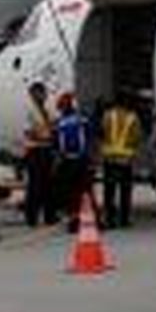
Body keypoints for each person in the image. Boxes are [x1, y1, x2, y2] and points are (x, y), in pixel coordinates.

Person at [100, 93, 141, 229]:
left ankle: (110, 219)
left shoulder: (108, 115)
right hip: (125, 159)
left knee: (109, 191)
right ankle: (124, 219)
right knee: (125, 190)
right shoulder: (132, 117)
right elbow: (136, 137)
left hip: (109, 158)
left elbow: (103, 131)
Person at [54, 93, 93, 233]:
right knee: (85, 191)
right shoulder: (83, 120)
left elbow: (58, 144)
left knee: (71, 193)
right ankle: (91, 219)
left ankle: (73, 220)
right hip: (82, 160)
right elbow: (89, 138)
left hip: (68, 161)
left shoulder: (60, 123)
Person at [23, 82, 57, 227]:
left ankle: (49, 215)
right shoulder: (29, 110)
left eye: (44, 93)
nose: (44, 95)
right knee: (35, 185)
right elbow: (28, 132)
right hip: (35, 150)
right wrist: (44, 137)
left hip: (46, 149)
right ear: (33, 94)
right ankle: (32, 217)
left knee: (48, 184)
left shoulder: (45, 110)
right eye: (40, 93)